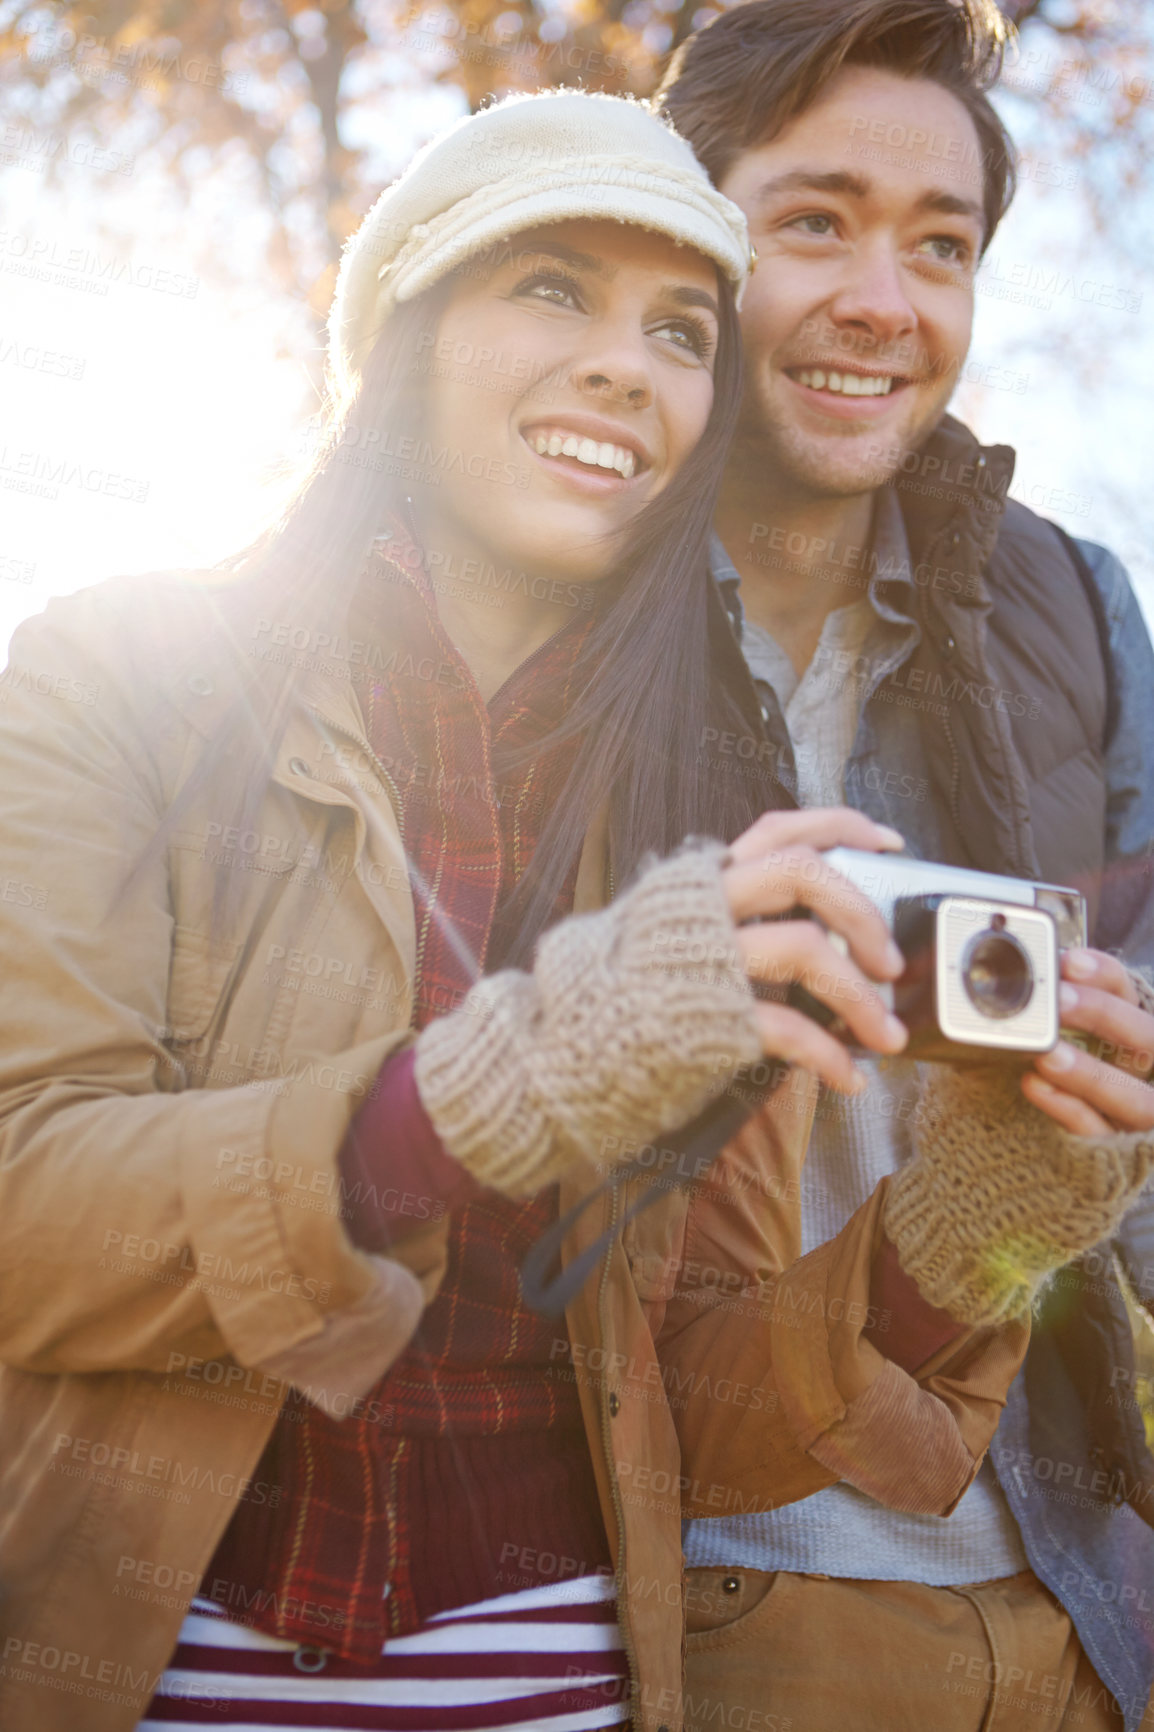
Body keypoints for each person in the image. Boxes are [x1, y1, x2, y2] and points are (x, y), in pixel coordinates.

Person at [0, 87, 1056, 1732]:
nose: (627, 366)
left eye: (682, 331)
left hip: (559, 1685)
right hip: (146, 1670)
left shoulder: (704, 822)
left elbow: (687, 1399)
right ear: (405, 333)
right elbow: (28, 1220)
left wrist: (974, 1231)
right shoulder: (116, 674)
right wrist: (483, 1091)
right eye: (551, 287)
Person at [656, 4, 1154, 1729]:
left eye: (938, 245)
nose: (885, 300)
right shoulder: (546, 599)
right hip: (712, 1595)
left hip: (1082, 1599)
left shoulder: (1076, 610)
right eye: (814, 221)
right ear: (685, 232)